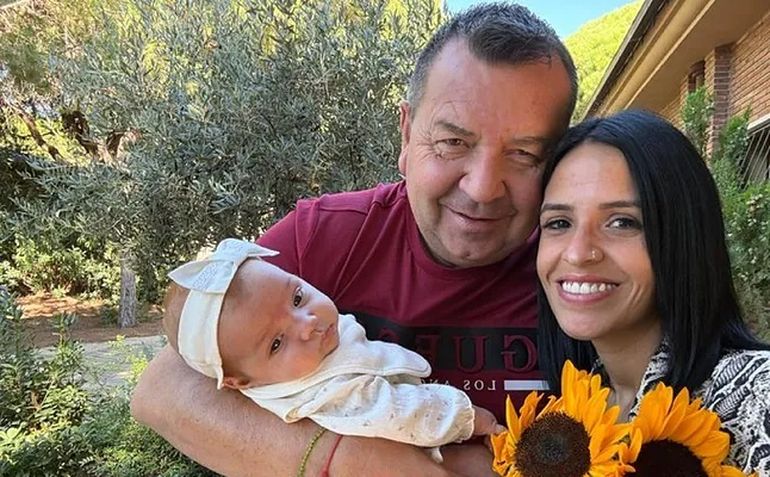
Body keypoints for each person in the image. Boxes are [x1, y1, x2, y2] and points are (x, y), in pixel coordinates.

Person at [131, 3, 577, 476]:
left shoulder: (582, 272)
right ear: (406, 135)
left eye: (524, 154)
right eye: (452, 143)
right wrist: (346, 459)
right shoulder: (326, 235)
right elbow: (161, 391)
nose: (482, 187)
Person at [536, 109, 770, 474]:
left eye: (622, 222)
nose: (579, 253)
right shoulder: (568, 418)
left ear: (685, 235)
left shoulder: (760, 398)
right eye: (559, 223)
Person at [164, 238, 500, 458]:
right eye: (277, 343)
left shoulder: (304, 357)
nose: (307, 322)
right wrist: (469, 418)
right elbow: (401, 413)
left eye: (297, 297)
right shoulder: (326, 393)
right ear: (241, 381)